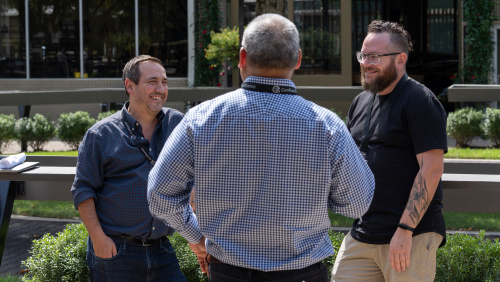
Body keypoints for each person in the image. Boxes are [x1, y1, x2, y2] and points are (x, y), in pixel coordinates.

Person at [147, 13, 375, 282]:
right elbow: (358, 204)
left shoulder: (201, 118)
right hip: (303, 274)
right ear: (298, 59)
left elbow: (159, 196)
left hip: (228, 273)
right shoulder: (327, 126)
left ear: (242, 57)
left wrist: (196, 236)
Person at [331, 20, 448, 282]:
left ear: (400, 59)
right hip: (364, 231)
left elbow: (432, 169)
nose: (365, 63)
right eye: (363, 55)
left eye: (374, 56)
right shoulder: (360, 101)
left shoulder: (421, 101)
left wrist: (405, 229)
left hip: (411, 233)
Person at [71, 55, 187, 282]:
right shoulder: (101, 134)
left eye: (164, 82)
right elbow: (83, 190)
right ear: (129, 86)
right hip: (116, 252)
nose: (161, 89)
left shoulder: (179, 125)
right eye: (152, 81)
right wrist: (98, 240)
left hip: (162, 249)